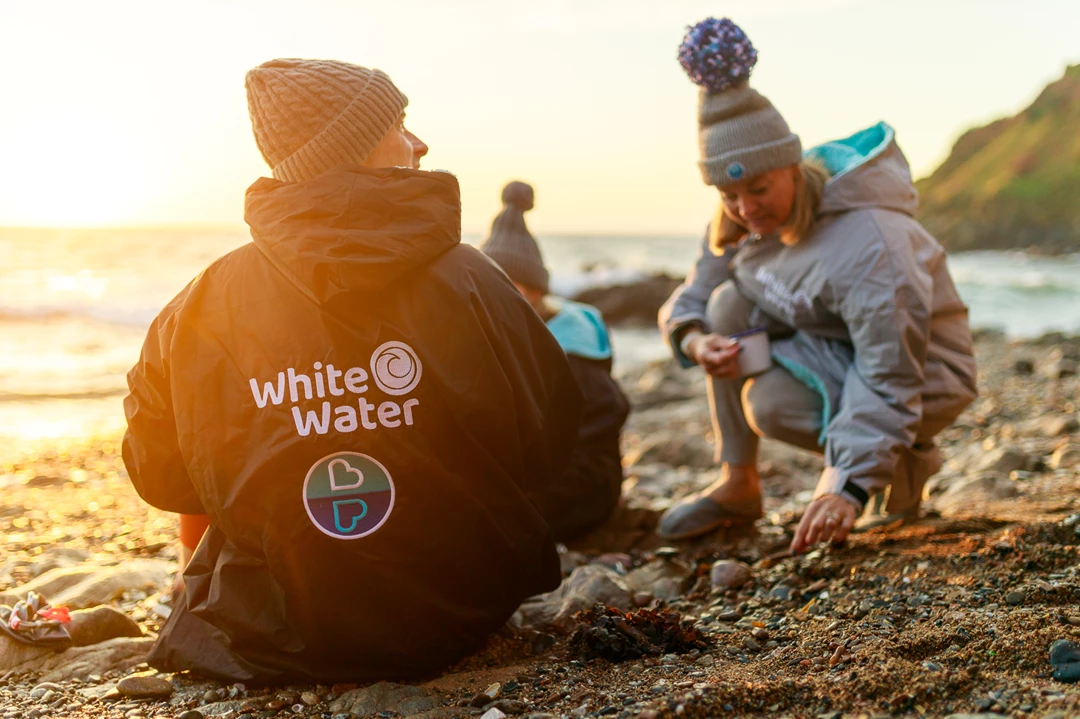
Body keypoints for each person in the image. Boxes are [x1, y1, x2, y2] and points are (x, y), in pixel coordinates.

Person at [122, 58, 582, 683]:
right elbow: (553, 438)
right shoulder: (475, 279)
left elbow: (163, 474)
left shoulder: (202, 302)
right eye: (399, 125)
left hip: (280, 629)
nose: (420, 144)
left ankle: (199, 596)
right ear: (354, 149)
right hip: (466, 610)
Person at [657, 19, 977, 552]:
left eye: (758, 189)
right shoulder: (743, 218)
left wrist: (843, 486)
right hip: (838, 350)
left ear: (790, 165)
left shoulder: (867, 240)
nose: (744, 208)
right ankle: (739, 483)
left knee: (771, 404)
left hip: (925, 373)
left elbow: (890, 369)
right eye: (728, 194)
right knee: (727, 305)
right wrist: (694, 340)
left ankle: (897, 470)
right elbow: (694, 296)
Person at [480, 181, 630, 541]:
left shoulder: (570, 346)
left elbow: (608, 413)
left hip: (585, 487)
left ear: (533, 291)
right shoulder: (509, 330)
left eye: (504, 288)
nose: (491, 299)